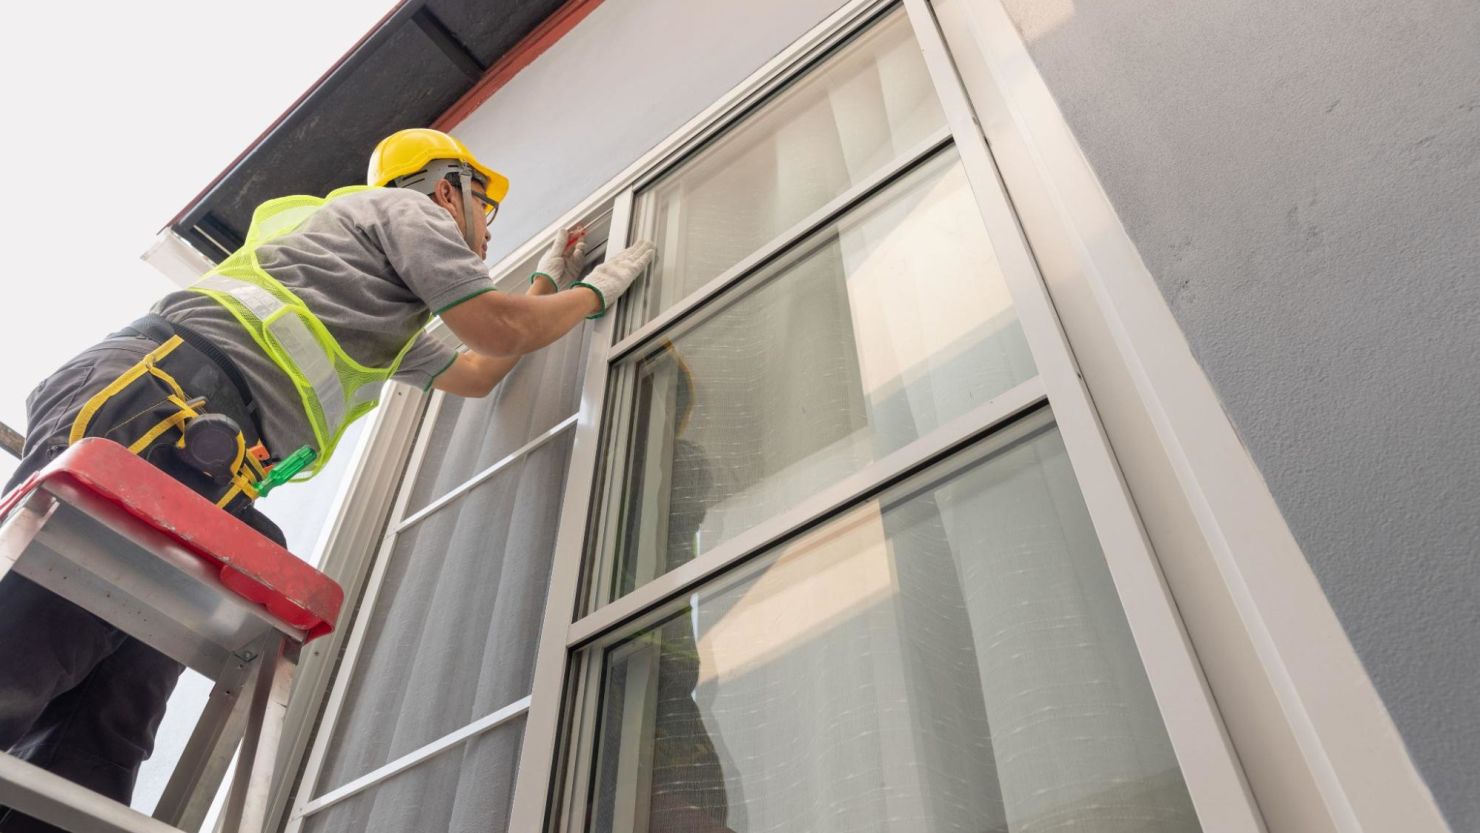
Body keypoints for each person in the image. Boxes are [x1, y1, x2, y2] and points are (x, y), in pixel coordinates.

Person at [0, 127, 654, 831]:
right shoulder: (404, 214)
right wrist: (594, 294)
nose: (486, 237)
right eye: (484, 213)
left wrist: (550, 279)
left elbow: (478, 369)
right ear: (444, 190)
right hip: (165, 402)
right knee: (40, 633)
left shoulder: (383, 311)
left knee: (117, 702)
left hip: (206, 454)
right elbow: (497, 330)